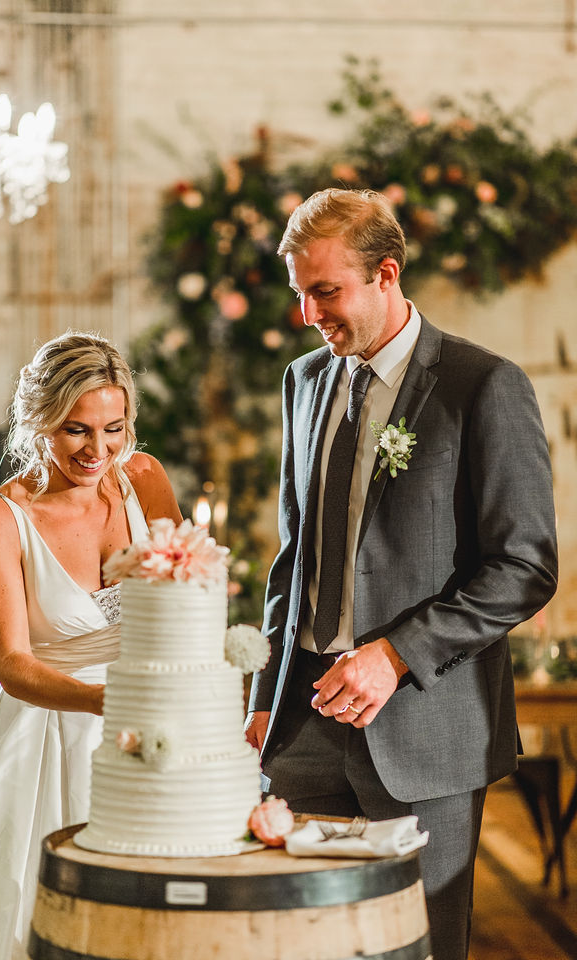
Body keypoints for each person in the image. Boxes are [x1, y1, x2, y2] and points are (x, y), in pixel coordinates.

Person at [245, 188, 558, 960]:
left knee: (414, 947)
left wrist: (393, 655)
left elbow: (525, 565)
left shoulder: (481, 385)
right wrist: (263, 696)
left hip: (427, 728)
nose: (309, 315)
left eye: (326, 292)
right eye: (300, 295)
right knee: (297, 940)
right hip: (305, 724)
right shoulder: (304, 383)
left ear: (386, 274)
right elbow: (294, 556)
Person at [0, 331, 182, 960]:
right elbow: (13, 665)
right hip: (46, 733)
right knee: (38, 920)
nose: (98, 450)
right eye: (76, 430)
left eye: (115, 428)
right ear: (37, 419)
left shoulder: (145, 480)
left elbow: (183, 600)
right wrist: (109, 703)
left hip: (150, 728)